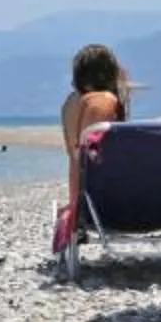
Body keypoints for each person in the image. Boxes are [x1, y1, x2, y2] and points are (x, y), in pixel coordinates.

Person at [57, 43, 129, 249]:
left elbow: (78, 159)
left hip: (86, 200)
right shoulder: (102, 102)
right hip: (112, 203)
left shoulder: (70, 103)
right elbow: (92, 157)